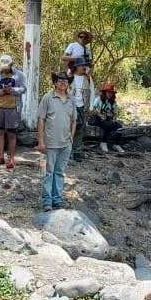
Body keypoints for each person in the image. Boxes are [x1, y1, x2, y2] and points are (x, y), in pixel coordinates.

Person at [37, 73, 75, 211]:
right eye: (60, 81)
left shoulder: (71, 100)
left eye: (65, 81)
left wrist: (71, 137)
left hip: (66, 143)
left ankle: (57, 199)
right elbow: (41, 119)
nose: (63, 83)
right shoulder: (48, 97)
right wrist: (41, 141)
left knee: (59, 172)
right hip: (51, 142)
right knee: (49, 172)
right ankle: (47, 201)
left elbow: (74, 120)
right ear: (55, 83)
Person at [0, 54, 26, 169]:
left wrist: (12, 90)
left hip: (13, 107)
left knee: (12, 133)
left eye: (7, 66)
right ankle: (0, 157)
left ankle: (11, 159)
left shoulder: (19, 75)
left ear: (11, 64)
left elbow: (24, 89)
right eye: (2, 66)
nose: (4, 68)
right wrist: (0, 92)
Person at [90, 83, 125, 153]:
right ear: (105, 92)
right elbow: (93, 110)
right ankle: (103, 142)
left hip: (108, 119)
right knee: (107, 125)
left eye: (111, 93)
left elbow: (115, 112)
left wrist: (114, 119)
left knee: (120, 127)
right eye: (108, 92)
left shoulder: (113, 102)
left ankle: (116, 144)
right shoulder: (98, 99)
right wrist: (100, 115)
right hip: (97, 119)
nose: (110, 94)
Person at [70, 59, 92, 159]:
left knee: (80, 129)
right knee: (69, 129)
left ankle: (77, 151)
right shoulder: (70, 76)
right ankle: (68, 151)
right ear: (76, 67)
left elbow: (91, 90)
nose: (83, 67)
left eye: (84, 65)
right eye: (81, 65)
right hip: (71, 106)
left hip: (82, 106)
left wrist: (90, 106)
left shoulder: (87, 78)